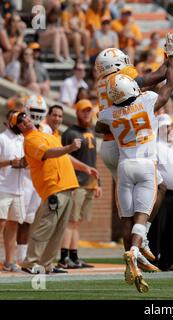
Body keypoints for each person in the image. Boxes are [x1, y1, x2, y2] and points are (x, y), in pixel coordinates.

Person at [96, 33, 173, 293]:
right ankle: (139, 244)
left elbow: (99, 124)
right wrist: (171, 53)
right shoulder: (141, 96)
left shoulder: (106, 98)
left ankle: (133, 255)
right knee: (156, 192)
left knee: (126, 213)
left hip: (115, 149)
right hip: (135, 156)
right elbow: (165, 78)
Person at [12, 111, 98, 274]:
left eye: (25, 117)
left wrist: (84, 167)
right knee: (46, 226)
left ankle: (46, 264)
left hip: (66, 185)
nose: (25, 121)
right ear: (19, 128)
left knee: (58, 230)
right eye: (20, 122)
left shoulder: (46, 135)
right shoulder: (30, 140)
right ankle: (30, 262)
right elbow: (49, 153)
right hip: (53, 186)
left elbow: (64, 156)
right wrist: (70, 147)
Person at [58, 99, 102, 269]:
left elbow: (93, 161)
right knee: (70, 221)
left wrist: (97, 183)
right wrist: (71, 184)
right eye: (83, 110)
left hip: (89, 183)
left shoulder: (90, 130)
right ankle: (64, 257)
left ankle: (74, 256)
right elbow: (64, 160)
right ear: (77, 112)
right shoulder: (70, 133)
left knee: (77, 222)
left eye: (89, 110)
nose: (87, 113)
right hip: (76, 183)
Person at [149, 114, 173, 271]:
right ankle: (154, 260)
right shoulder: (155, 145)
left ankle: (168, 261)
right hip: (161, 193)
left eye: (170, 126)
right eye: (166, 126)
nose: (170, 129)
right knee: (158, 228)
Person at [0, 110, 27, 272]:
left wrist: (24, 163)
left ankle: (9, 261)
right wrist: (11, 162)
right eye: (20, 122)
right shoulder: (2, 139)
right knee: (1, 223)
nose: (23, 125)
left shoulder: (23, 139)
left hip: (18, 188)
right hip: (2, 187)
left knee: (13, 225)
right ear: (11, 123)